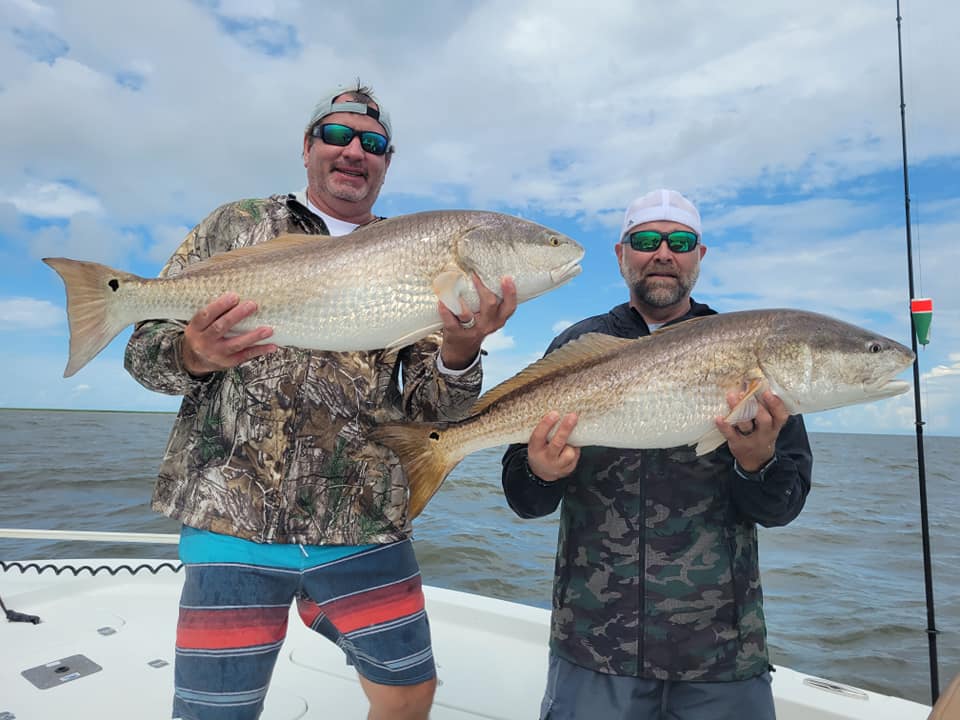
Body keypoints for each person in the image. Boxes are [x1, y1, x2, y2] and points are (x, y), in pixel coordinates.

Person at [125, 81, 517, 720]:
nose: (354, 151)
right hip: (231, 518)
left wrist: (461, 349)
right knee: (213, 713)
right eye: (337, 135)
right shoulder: (237, 226)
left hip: (362, 521)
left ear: (387, 162)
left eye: (373, 143)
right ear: (307, 147)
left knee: (409, 695)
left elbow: (434, 412)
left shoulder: (421, 251)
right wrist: (193, 355)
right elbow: (143, 354)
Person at [501, 189, 812, 720]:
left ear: (700, 255)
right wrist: (540, 472)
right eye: (646, 240)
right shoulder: (579, 345)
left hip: (721, 652)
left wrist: (757, 464)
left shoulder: (750, 348)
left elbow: (782, 508)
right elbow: (523, 498)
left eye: (680, 242)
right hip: (594, 644)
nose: (663, 253)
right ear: (622, 254)